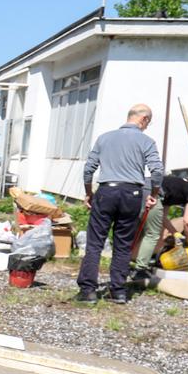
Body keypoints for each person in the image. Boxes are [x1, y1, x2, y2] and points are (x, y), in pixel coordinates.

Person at [77, 104, 163, 304]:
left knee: (95, 242)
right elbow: (157, 171)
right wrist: (155, 194)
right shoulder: (147, 141)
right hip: (132, 193)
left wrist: (89, 193)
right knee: (123, 244)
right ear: (144, 120)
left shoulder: (104, 138)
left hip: (106, 191)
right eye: (147, 123)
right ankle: (118, 291)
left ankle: (88, 290)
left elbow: (89, 169)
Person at [131, 173, 188, 272]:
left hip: (134, 188)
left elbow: (162, 217)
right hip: (151, 192)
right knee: (153, 234)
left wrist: (175, 233)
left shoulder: (174, 186)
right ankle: (139, 270)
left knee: (133, 231)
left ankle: (124, 264)